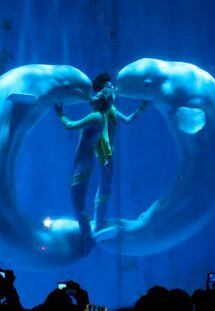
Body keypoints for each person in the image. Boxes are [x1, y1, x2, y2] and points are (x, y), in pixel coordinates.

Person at [55, 72, 148, 250]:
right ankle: (93, 228)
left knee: (99, 190)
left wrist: (142, 107)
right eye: (107, 86)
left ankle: (92, 231)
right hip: (102, 149)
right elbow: (99, 130)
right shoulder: (100, 113)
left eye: (109, 87)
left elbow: (122, 121)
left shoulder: (102, 113)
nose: (110, 87)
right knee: (100, 189)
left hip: (101, 151)